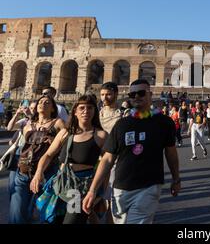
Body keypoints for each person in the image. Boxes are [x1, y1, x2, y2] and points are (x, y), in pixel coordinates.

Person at [82, 79, 180, 224]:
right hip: (120, 188)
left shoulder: (164, 122)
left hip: (149, 186)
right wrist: (92, 190)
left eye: (141, 93)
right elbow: (108, 158)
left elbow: (170, 152)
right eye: (132, 94)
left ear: (150, 94)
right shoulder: (122, 124)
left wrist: (176, 179)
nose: (136, 97)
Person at [30, 95, 107, 224]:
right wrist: (38, 173)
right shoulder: (65, 132)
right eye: (81, 108)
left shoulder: (101, 135)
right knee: (53, 221)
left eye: (90, 108)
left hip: (78, 190)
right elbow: (48, 155)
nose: (85, 111)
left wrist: (100, 192)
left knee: (71, 222)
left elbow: (106, 166)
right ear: (75, 112)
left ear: (95, 111)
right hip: (60, 184)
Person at [9, 95, 66, 224]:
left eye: (47, 102)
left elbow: (66, 144)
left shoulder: (58, 123)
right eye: (40, 102)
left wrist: (54, 142)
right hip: (23, 172)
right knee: (16, 212)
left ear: (52, 108)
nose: (42, 104)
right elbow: (24, 146)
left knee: (46, 212)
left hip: (47, 173)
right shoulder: (28, 124)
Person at [99, 82, 123, 224]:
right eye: (102, 94)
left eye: (108, 94)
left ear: (115, 94)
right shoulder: (96, 113)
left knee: (110, 196)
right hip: (96, 157)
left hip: (114, 159)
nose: (105, 97)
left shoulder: (122, 113)